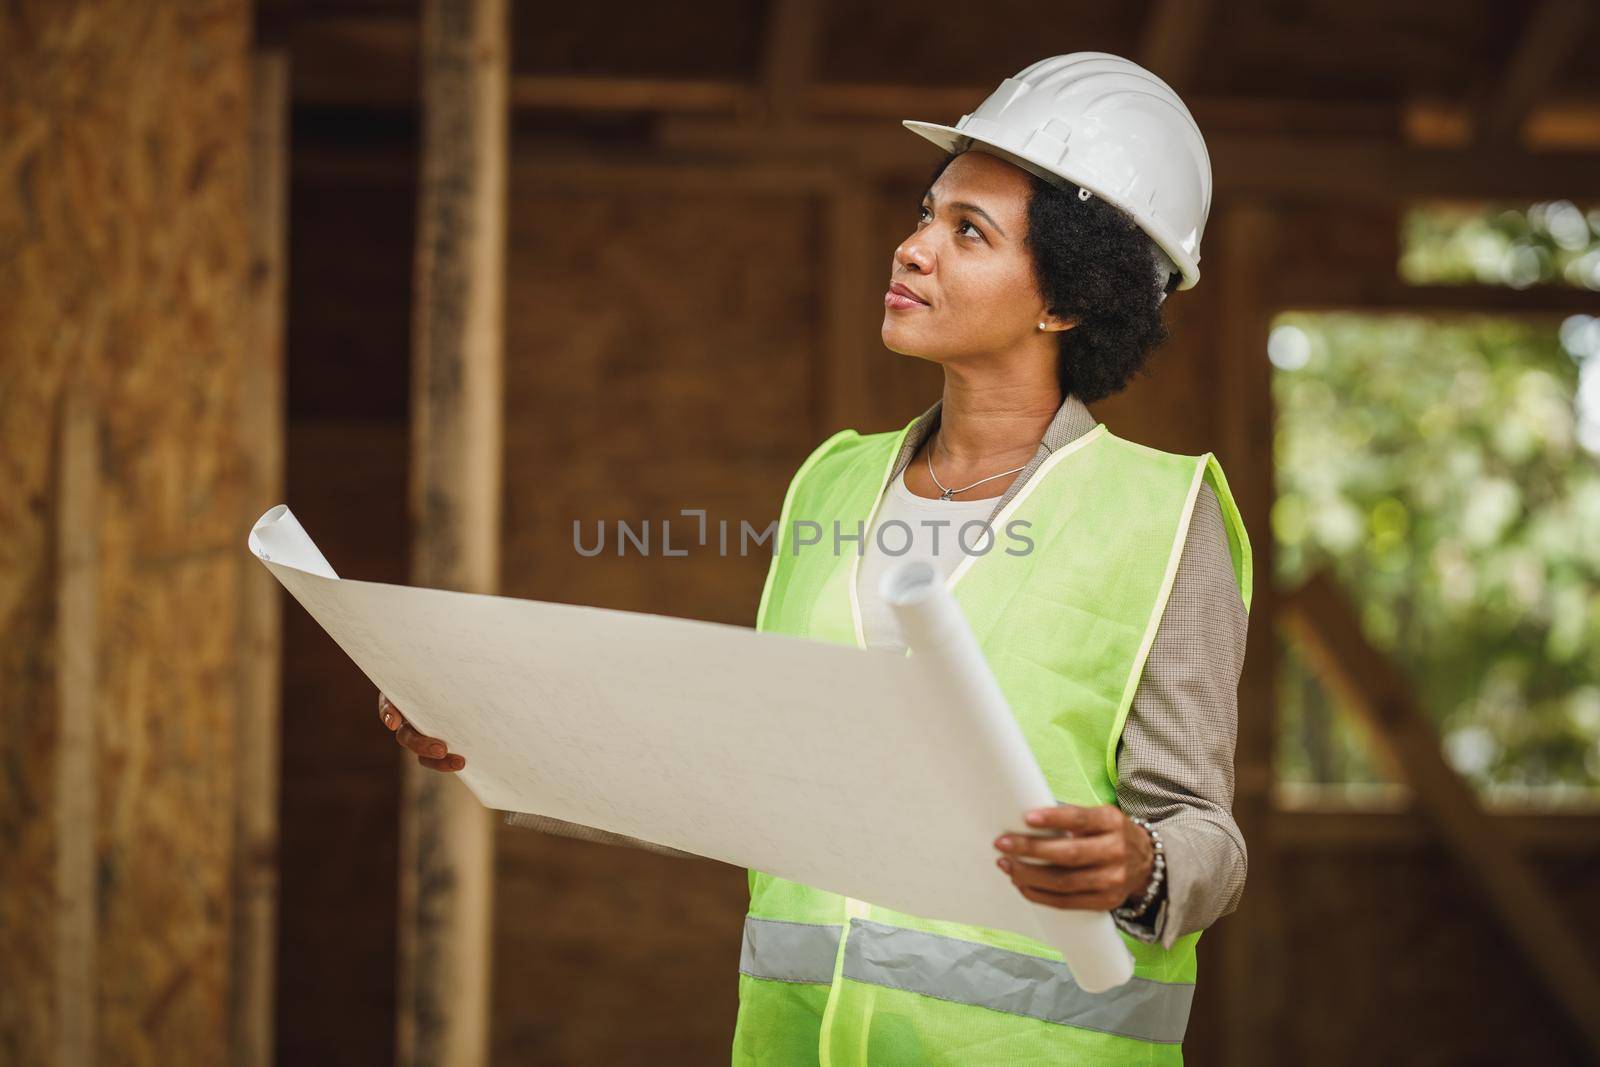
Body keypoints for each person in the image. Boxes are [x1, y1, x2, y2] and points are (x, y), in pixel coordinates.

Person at [379, 51, 1250, 1064]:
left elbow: (1207, 841)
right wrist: (487, 726)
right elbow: (746, 777)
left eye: (966, 232)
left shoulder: (1159, 513)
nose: (912, 248)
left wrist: (1140, 861)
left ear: (1066, 297)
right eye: (926, 213)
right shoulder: (833, 484)